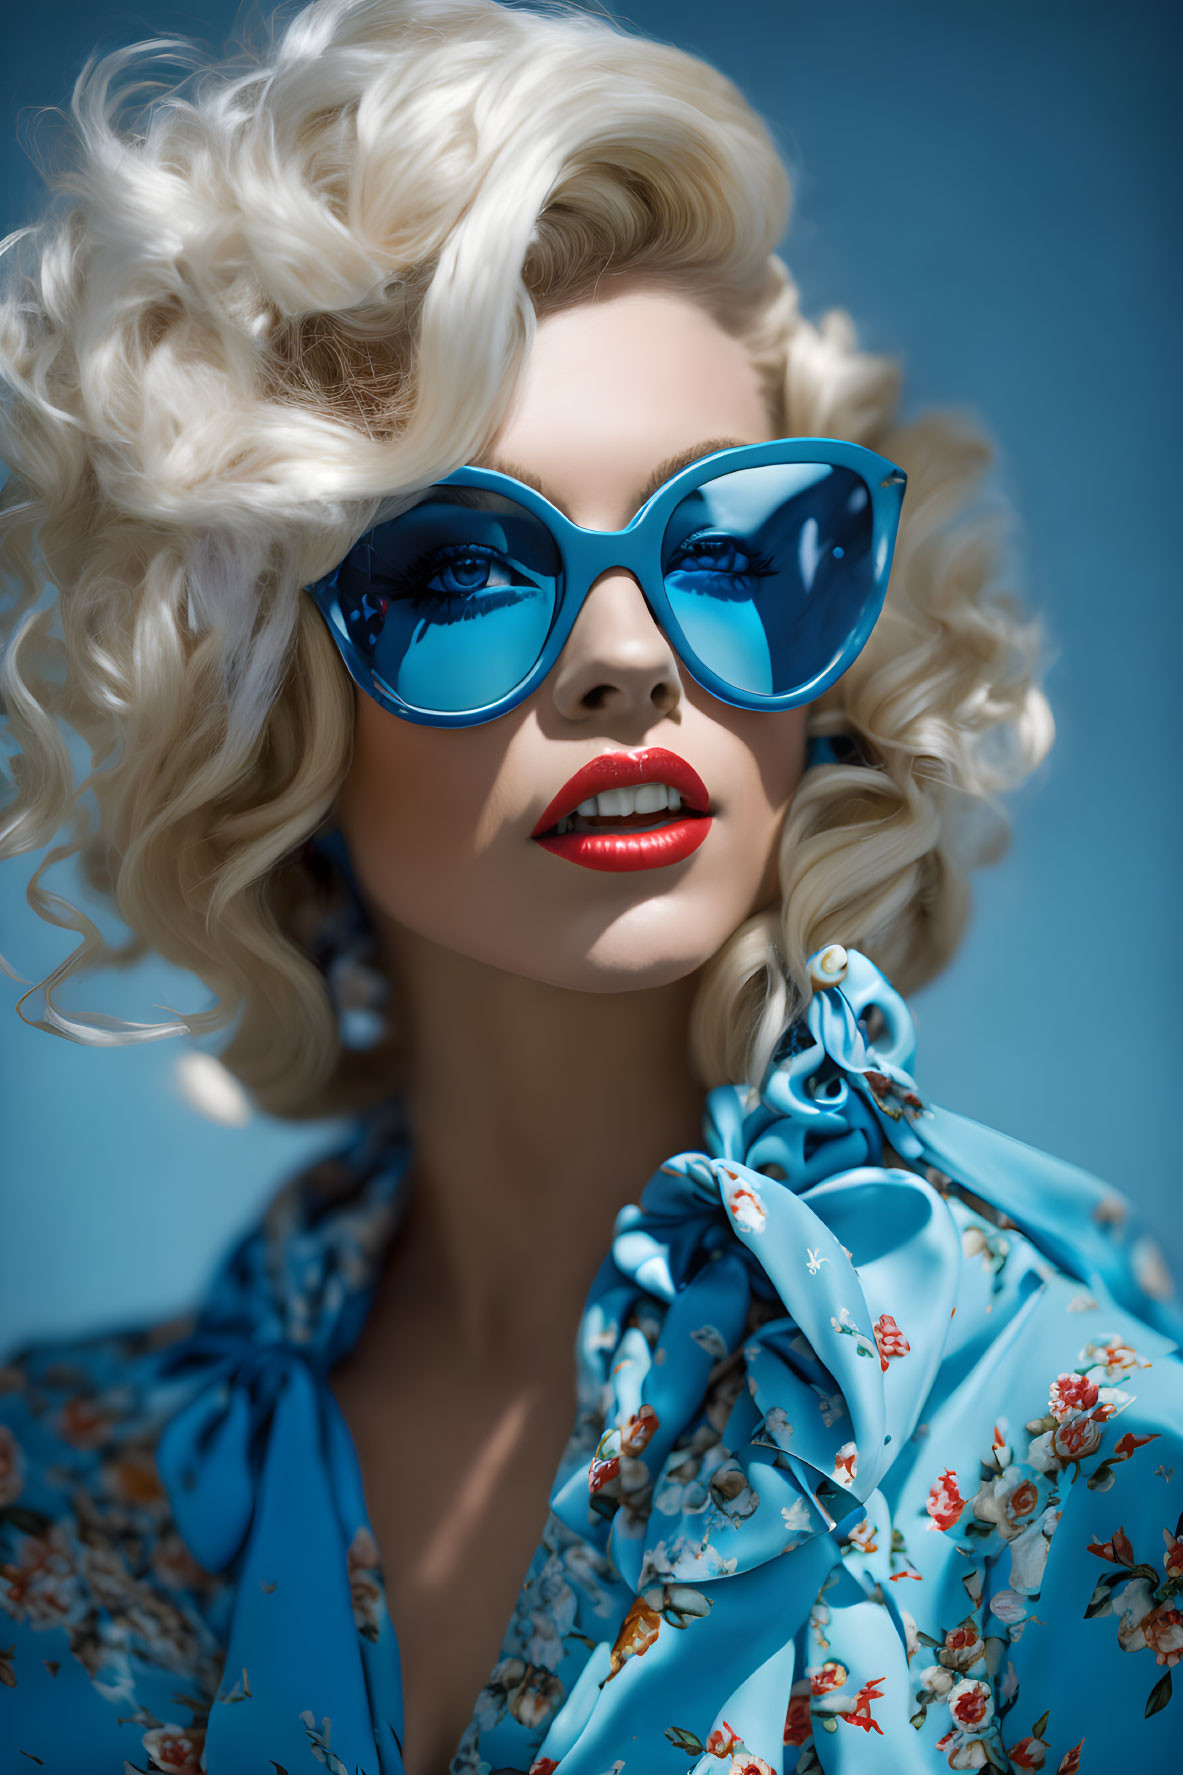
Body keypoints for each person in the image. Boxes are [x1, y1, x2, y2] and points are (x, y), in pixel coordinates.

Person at [0, 2, 1178, 1771]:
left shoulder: (1088, 1463)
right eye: (465, 564)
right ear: (261, 698)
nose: (630, 657)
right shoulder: (49, 1495)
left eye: (734, 546)